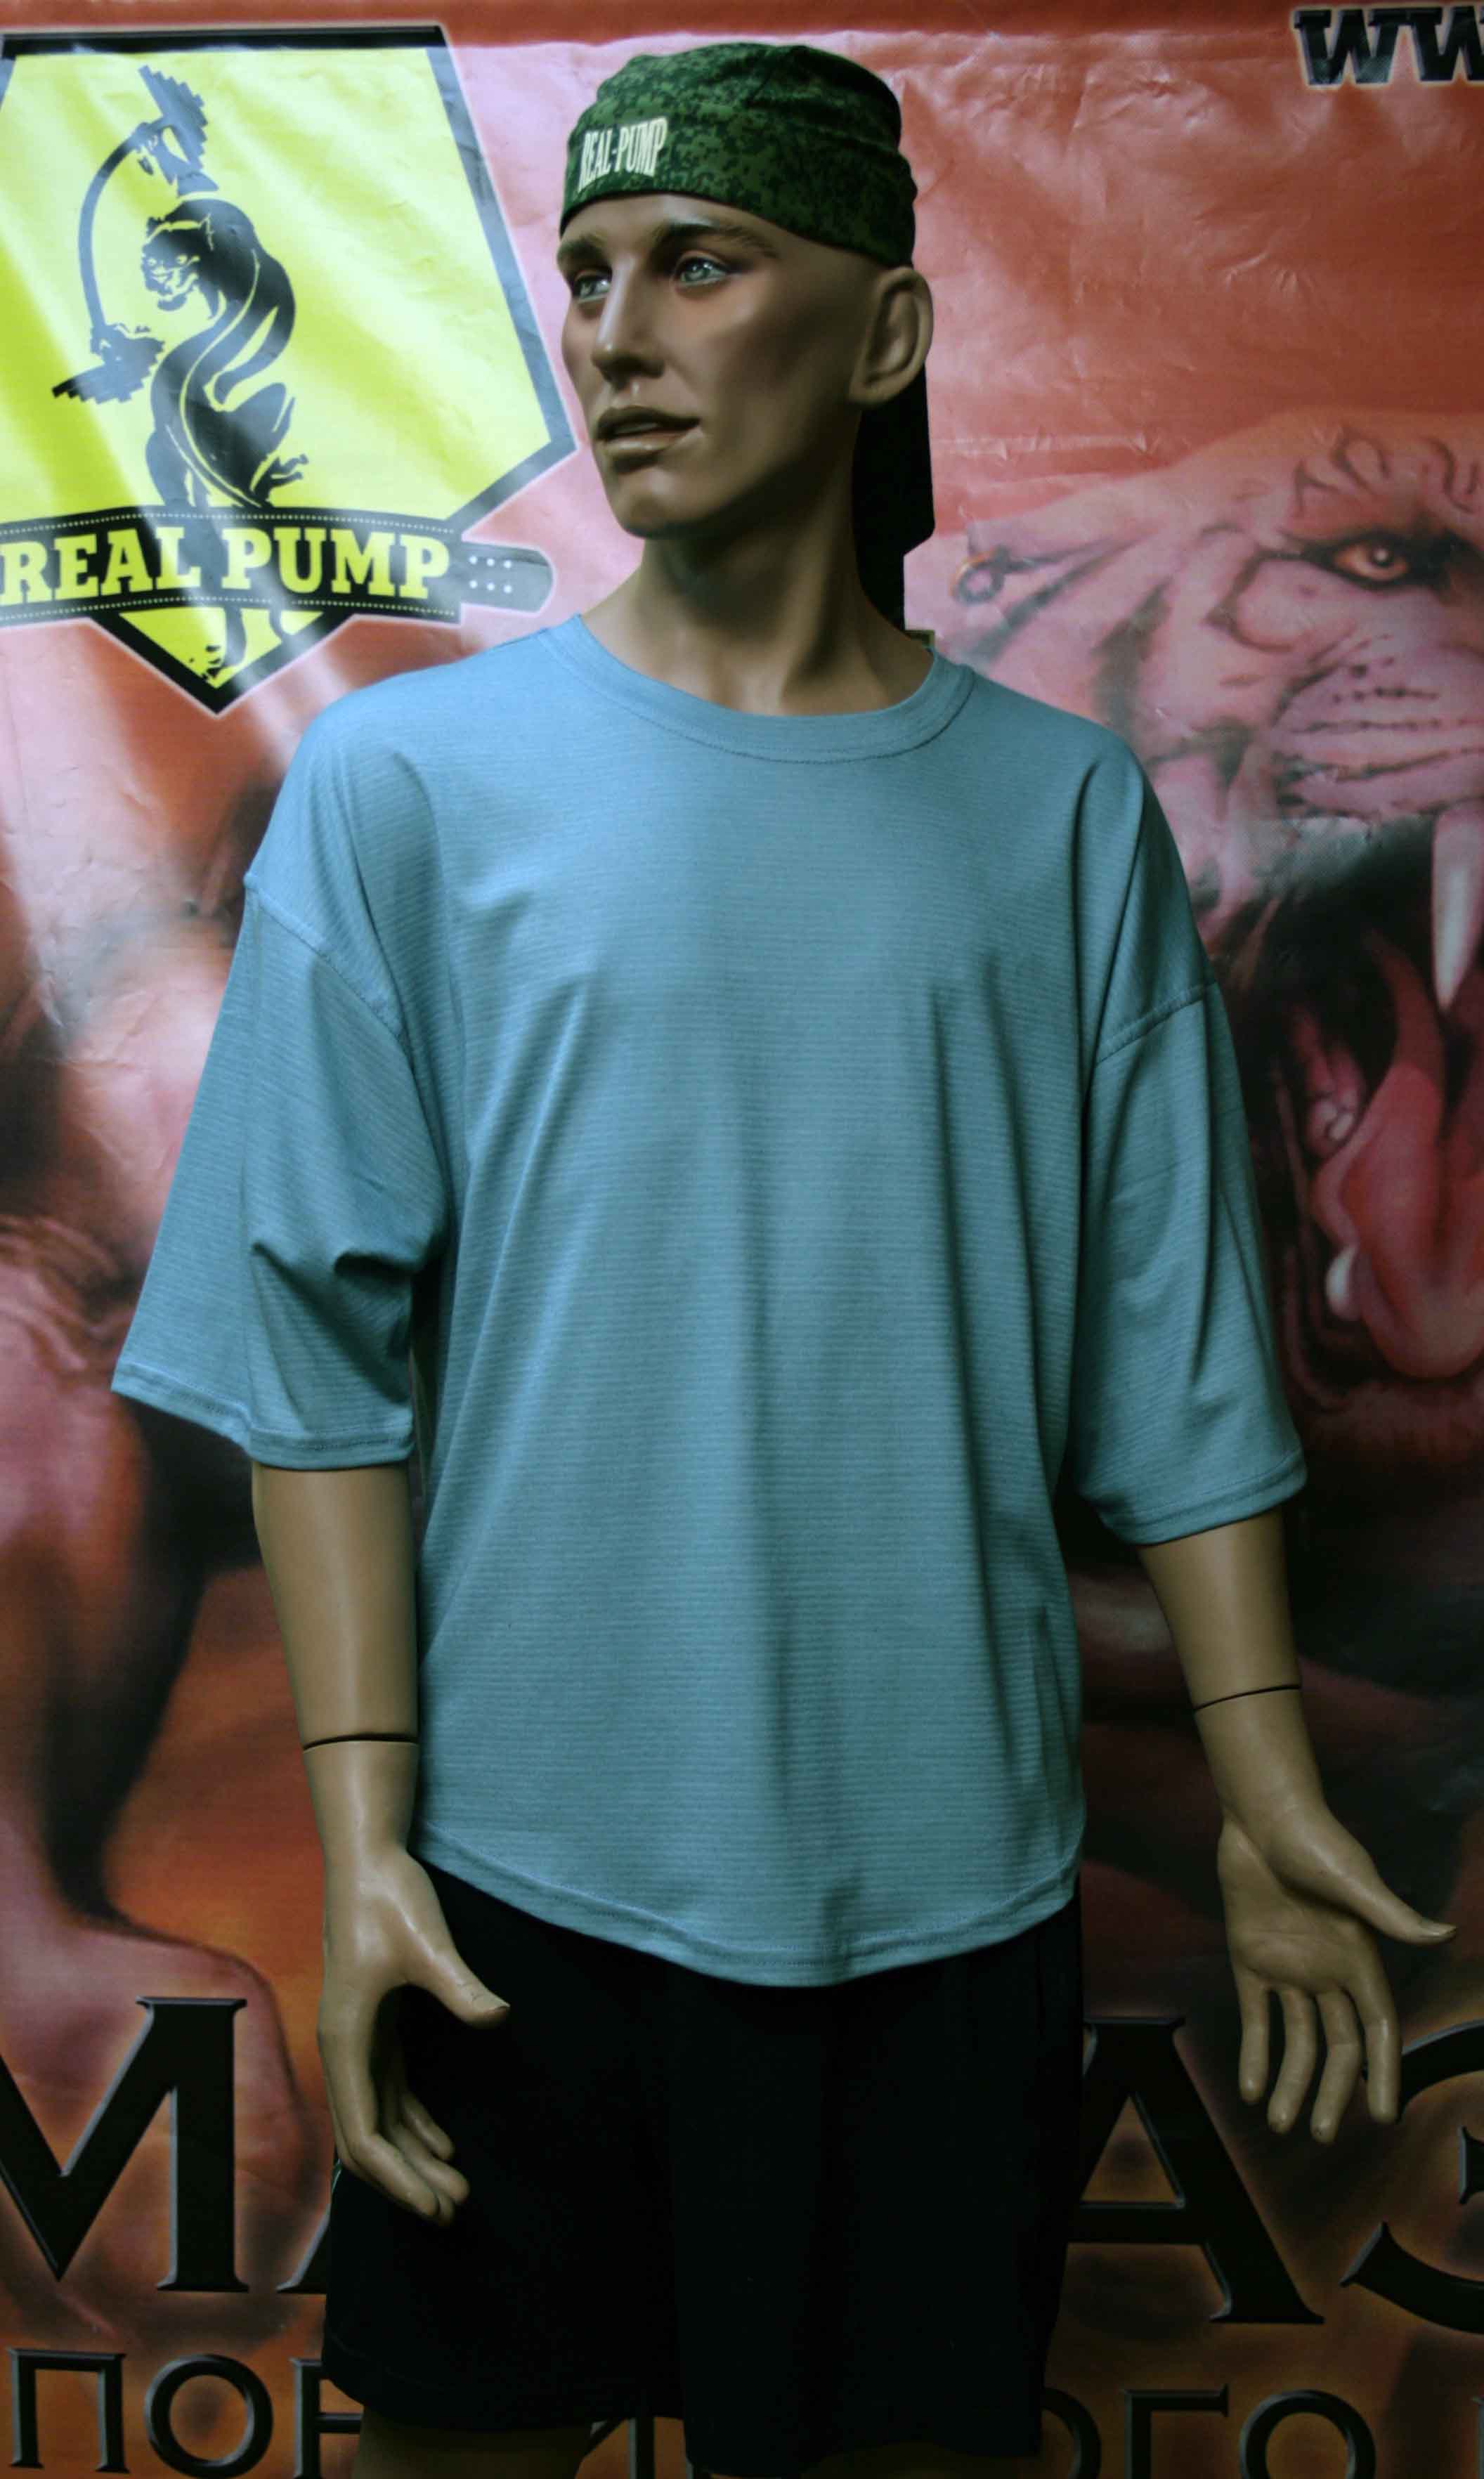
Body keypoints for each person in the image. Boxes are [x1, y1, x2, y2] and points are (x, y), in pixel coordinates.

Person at [109, 37, 1456, 2479]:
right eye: (591, 273)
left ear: (883, 334)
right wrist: (365, 1839)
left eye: (703, 266)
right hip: (517, 1884)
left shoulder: (1057, 816)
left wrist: (1266, 1791)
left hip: (948, 1906)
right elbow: (311, 1341)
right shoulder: (410, 790)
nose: (621, 334)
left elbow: (1175, 1362)